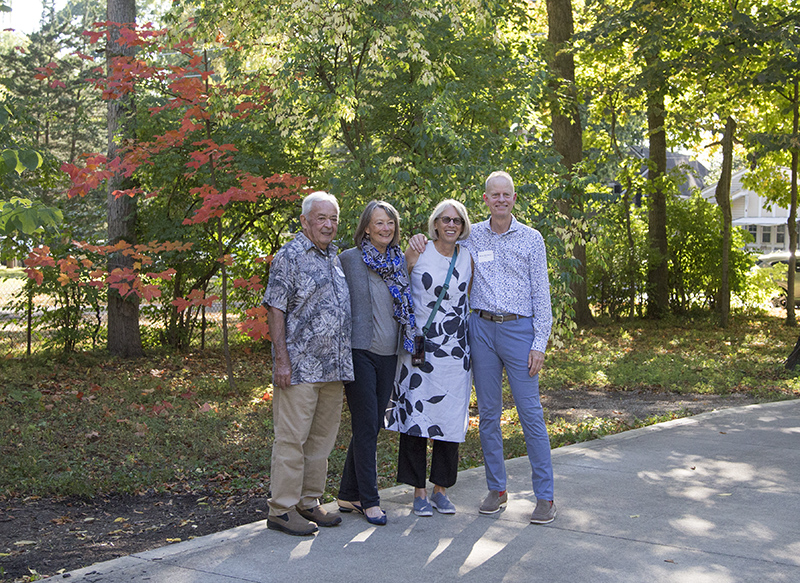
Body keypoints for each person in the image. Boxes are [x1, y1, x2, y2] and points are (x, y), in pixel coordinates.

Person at [409, 172, 556, 524]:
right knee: (489, 415)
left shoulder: (532, 239)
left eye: (507, 194)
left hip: (520, 331)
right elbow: (439, 250)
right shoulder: (471, 236)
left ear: (514, 198)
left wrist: (539, 343)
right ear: (486, 199)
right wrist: (417, 240)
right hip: (481, 330)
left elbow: (542, 295)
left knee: (530, 415)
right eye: (495, 195)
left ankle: (545, 497)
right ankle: (497, 489)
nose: (501, 200)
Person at [262, 191, 354, 536]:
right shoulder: (290, 256)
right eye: (321, 218)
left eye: (333, 218)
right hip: (299, 367)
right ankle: (282, 509)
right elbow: (275, 308)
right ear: (304, 221)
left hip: (333, 368)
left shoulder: (334, 256)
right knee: (292, 439)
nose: (328, 225)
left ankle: (309, 501)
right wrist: (281, 361)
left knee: (321, 441)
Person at [385, 199, 472, 517]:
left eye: (458, 221)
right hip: (419, 350)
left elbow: (465, 302)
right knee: (416, 418)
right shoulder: (418, 251)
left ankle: (441, 489)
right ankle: (418, 491)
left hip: (455, 353)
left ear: (463, 227)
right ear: (435, 223)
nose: (451, 225)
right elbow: (396, 289)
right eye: (446, 219)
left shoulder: (467, 258)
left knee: (449, 420)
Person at [336, 200, 416, 526]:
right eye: (379, 223)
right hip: (359, 351)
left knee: (371, 424)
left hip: (390, 353)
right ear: (366, 227)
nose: (385, 228)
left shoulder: (399, 262)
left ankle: (347, 493)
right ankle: (369, 501)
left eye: (390, 223)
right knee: (367, 424)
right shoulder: (349, 259)